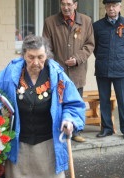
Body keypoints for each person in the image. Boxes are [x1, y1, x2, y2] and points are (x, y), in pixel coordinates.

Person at [0, 35, 85, 178]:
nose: (36, 62)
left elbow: (73, 103)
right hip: (19, 140)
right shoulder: (11, 72)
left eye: (40, 57)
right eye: (31, 57)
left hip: (47, 141)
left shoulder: (57, 75)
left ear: (46, 55)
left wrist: (69, 120)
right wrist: (1, 112)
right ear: (24, 55)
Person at [42, 0, 94, 143]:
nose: (66, 7)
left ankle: (76, 131)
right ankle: (56, 131)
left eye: (69, 4)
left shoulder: (86, 21)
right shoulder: (50, 22)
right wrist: (54, 65)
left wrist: (77, 59)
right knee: (56, 101)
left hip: (78, 71)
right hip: (57, 71)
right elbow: (46, 48)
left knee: (75, 100)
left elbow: (90, 45)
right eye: (63, 4)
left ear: (75, 5)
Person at [93, 0, 124, 139]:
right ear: (105, 7)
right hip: (103, 68)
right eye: (108, 5)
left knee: (123, 100)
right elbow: (95, 48)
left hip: (121, 69)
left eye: (114, 5)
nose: (111, 8)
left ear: (119, 7)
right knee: (104, 99)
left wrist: (119, 57)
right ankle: (106, 128)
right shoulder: (97, 26)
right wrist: (104, 58)